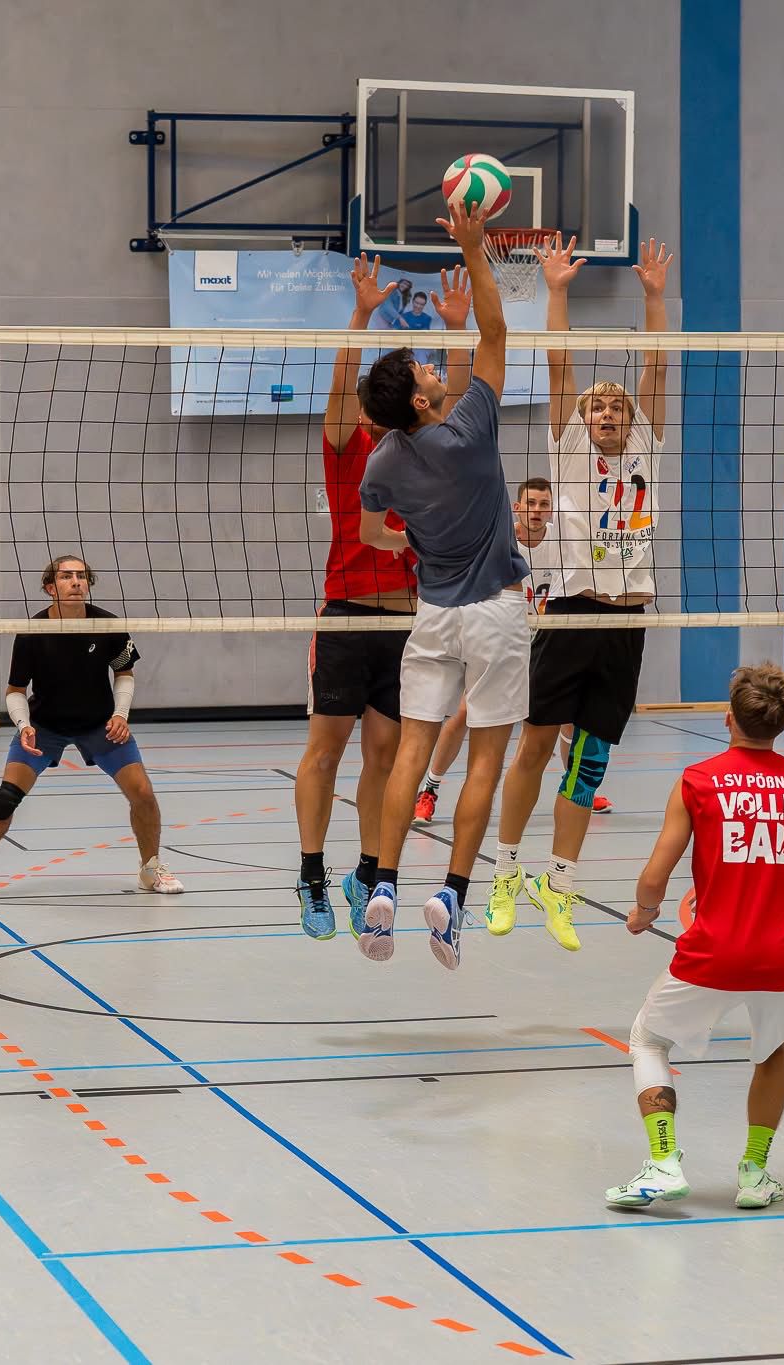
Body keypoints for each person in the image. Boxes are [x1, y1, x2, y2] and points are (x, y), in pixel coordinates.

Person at [486, 236, 673, 951]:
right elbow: (558, 362)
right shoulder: (568, 451)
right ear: (583, 421)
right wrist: (556, 290)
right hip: (570, 613)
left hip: (628, 621)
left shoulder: (647, 448)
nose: (608, 416)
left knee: (590, 763)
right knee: (535, 746)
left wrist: (654, 297)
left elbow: (658, 366)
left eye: (616, 410)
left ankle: (558, 884)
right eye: (598, 411)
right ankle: (506, 872)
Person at [355, 200, 527, 969]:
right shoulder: (472, 432)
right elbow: (496, 334)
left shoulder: (383, 460)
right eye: (428, 368)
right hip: (495, 611)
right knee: (485, 758)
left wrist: (408, 537)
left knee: (410, 753)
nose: (434, 366)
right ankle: (453, 895)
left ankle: (385, 883)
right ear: (425, 401)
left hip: (431, 614)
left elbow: (373, 531)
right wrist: (475, 247)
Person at [605, 664, 784, 1210]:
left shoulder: (699, 781)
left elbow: (655, 876)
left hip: (714, 952)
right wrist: (777, 915)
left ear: (728, 718)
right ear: (782, 723)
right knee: (772, 1053)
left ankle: (664, 1162)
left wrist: (644, 913)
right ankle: (755, 1175)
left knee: (648, 1041)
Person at [293, 258, 469, 941]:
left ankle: (367, 869)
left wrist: (456, 331)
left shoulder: (425, 453)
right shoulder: (350, 448)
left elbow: (456, 403)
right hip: (345, 615)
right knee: (325, 751)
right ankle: (312, 873)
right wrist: (362, 314)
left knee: (386, 755)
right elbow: (343, 389)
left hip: (406, 623)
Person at [0, 555, 183, 901]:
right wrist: (24, 725)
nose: (76, 582)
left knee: (143, 793)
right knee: (5, 798)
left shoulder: (108, 625)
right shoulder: (33, 631)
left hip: (99, 724)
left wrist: (120, 715)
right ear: (50, 587)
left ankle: (151, 869)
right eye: (66, 576)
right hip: (45, 726)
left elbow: (124, 674)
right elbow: (15, 690)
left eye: (81, 576)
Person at [413, 478, 568, 828]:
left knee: (567, 715)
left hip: (545, 641)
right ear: (518, 507)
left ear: (551, 510)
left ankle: (573, 785)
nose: (537, 511)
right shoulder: (501, 540)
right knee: (464, 713)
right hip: (502, 638)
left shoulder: (562, 541)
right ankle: (430, 789)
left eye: (544, 505)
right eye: (531, 503)